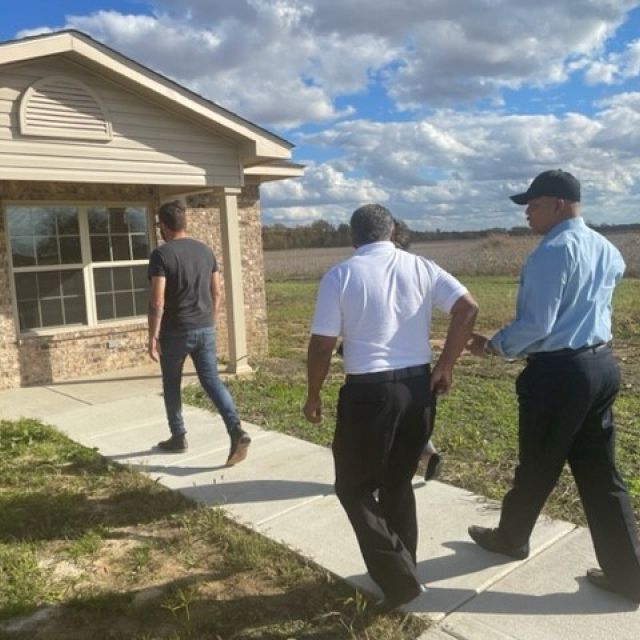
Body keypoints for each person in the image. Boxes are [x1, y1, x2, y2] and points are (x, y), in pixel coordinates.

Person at [467, 169, 640, 603]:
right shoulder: (607, 249)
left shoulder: (552, 252)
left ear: (559, 205)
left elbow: (538, 324)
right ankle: (630, 575)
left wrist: (493, 346)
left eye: (534, 204)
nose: (527, 213)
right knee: (601, 473)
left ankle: (511, 538)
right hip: (600, 366)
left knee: (537, 462)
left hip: (559, 375)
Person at [303, 204, 478, 608]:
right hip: (418, 388)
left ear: (353, 238)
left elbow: (322, 345)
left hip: (369, 393)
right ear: (394, 231)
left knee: (352, 487)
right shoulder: (422, 267)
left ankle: (399, 578)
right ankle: (405, 566)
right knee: (397, 482)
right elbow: (468, 307)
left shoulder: (341, 275)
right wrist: (446, 366)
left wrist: (314, 394)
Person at [147, 200, 250, 466]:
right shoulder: (205, 251)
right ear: (184, 223)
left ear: (164, 227)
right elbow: (216, 292)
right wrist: (209, 321)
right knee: (212, 380)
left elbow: (157, 301)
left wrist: (152, 336)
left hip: (175, 332)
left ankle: (178, 436)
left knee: (172, 384)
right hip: (204, 328)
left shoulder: (162, 255)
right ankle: (235, 428)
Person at [392, 218, 442, 482]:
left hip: (380, 368)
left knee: (388, 425)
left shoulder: (369, 271)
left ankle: (390, 478)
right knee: (413, 420)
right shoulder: (420, 269)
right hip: (417, 364)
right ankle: (426, 453)